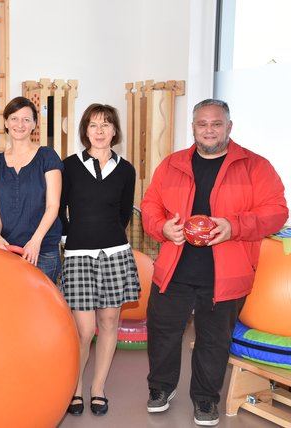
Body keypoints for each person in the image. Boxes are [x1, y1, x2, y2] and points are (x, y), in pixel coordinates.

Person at [141, 99, 288, 426]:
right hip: (173, 271)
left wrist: (234, 226)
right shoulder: (172, 164)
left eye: (216, 124)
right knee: (163, 333)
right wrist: (162, 228)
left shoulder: (255, 166)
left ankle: (206, 400)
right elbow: (151, 206)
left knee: (213, 341)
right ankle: (160, 388)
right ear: (193, 127)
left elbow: (276, 211)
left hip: (226, 275)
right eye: (202, 124)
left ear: (229, 127)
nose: (209, 130)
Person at [60, 103, 140, 416]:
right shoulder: (69, 165)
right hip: (79, 255)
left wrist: (106, 237)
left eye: (106, 124)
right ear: (85, 131)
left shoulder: (126, 169)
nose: (100, 130)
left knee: (109, 323)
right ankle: (75, 388)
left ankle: (98, 389)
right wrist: (70, 238)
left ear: (115, 130)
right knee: (83, 330)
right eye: (93, 125)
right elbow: (59, 208)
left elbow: (123, 214)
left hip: (115, 254)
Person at [0, 96, 63, 282]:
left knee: (41, 309)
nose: (19, 124)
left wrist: (35, 241)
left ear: (34, 124)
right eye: (14, 118)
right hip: (7, 250)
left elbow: (53, 206)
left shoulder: (47, 156)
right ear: (6, 122)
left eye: (26, 119)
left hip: (42, 251)